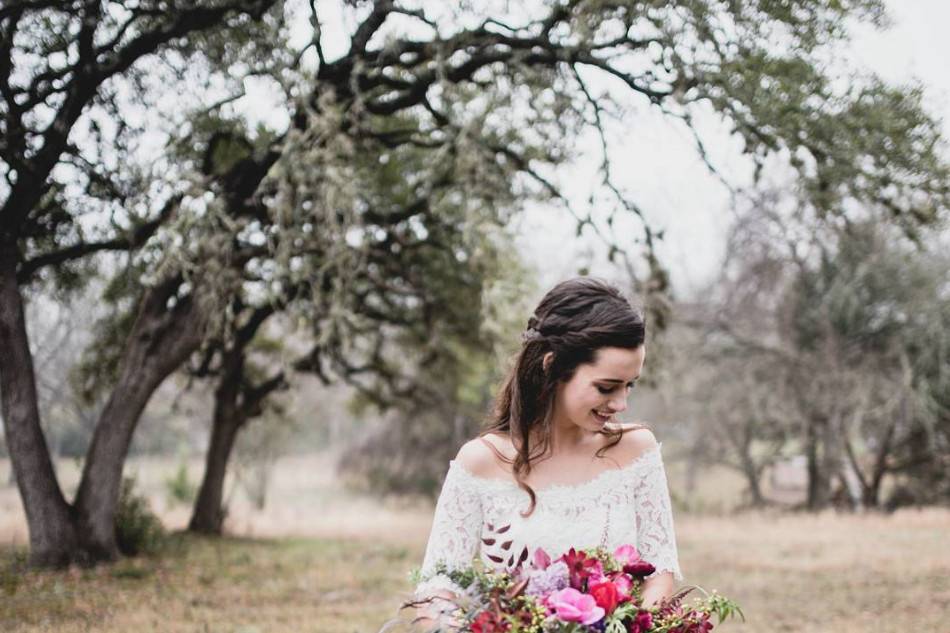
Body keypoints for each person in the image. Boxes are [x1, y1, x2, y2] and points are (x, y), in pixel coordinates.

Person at [411, 276, 682, 630]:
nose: (621, 403)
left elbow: (659, 571)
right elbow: (436, 588)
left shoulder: (637, 452)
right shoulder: (480, 462)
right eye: (606, 387)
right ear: (552, 366)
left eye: (630, 385)